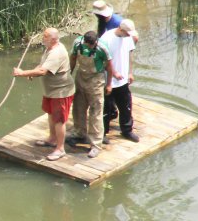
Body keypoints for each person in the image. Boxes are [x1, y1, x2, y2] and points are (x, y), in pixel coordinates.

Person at [13, 28, 75, 161]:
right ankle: (52, 139)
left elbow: (42, 71)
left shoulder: (56, 53)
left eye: (45, 36)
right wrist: (32, 73)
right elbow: (42, 65)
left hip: (61, 92)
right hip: (51, 91)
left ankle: (60, 148)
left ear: (53, 39)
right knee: (51, 114)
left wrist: (22, 73)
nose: (43, 38)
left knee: (59, 119)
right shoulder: (49, 48)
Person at [67, 31, 121, 158]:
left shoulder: (102, 48)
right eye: (89, 44)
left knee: (95, 111)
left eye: (93, 44)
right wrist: (69, 76)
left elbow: (109, 67)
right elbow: (73, 59)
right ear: (85, 41)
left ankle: (96, 144)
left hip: (96, 79)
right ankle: (79, 133)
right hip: (81, 77)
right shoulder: (77, 43)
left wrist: (109, 85)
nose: (91, 46)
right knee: (78, 107)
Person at [100, 20, 140, 143]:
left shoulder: (128, 38)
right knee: (106, 108)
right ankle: (102, 133)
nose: (129, 35)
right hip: (108, 81)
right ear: (121, 29)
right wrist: (114, 72)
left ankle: (127, 130)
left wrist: (130, 72)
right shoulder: (106, 39)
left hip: (122, 81)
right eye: (127, 33)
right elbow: (102, 60)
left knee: (126, 105)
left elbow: (130, 53)